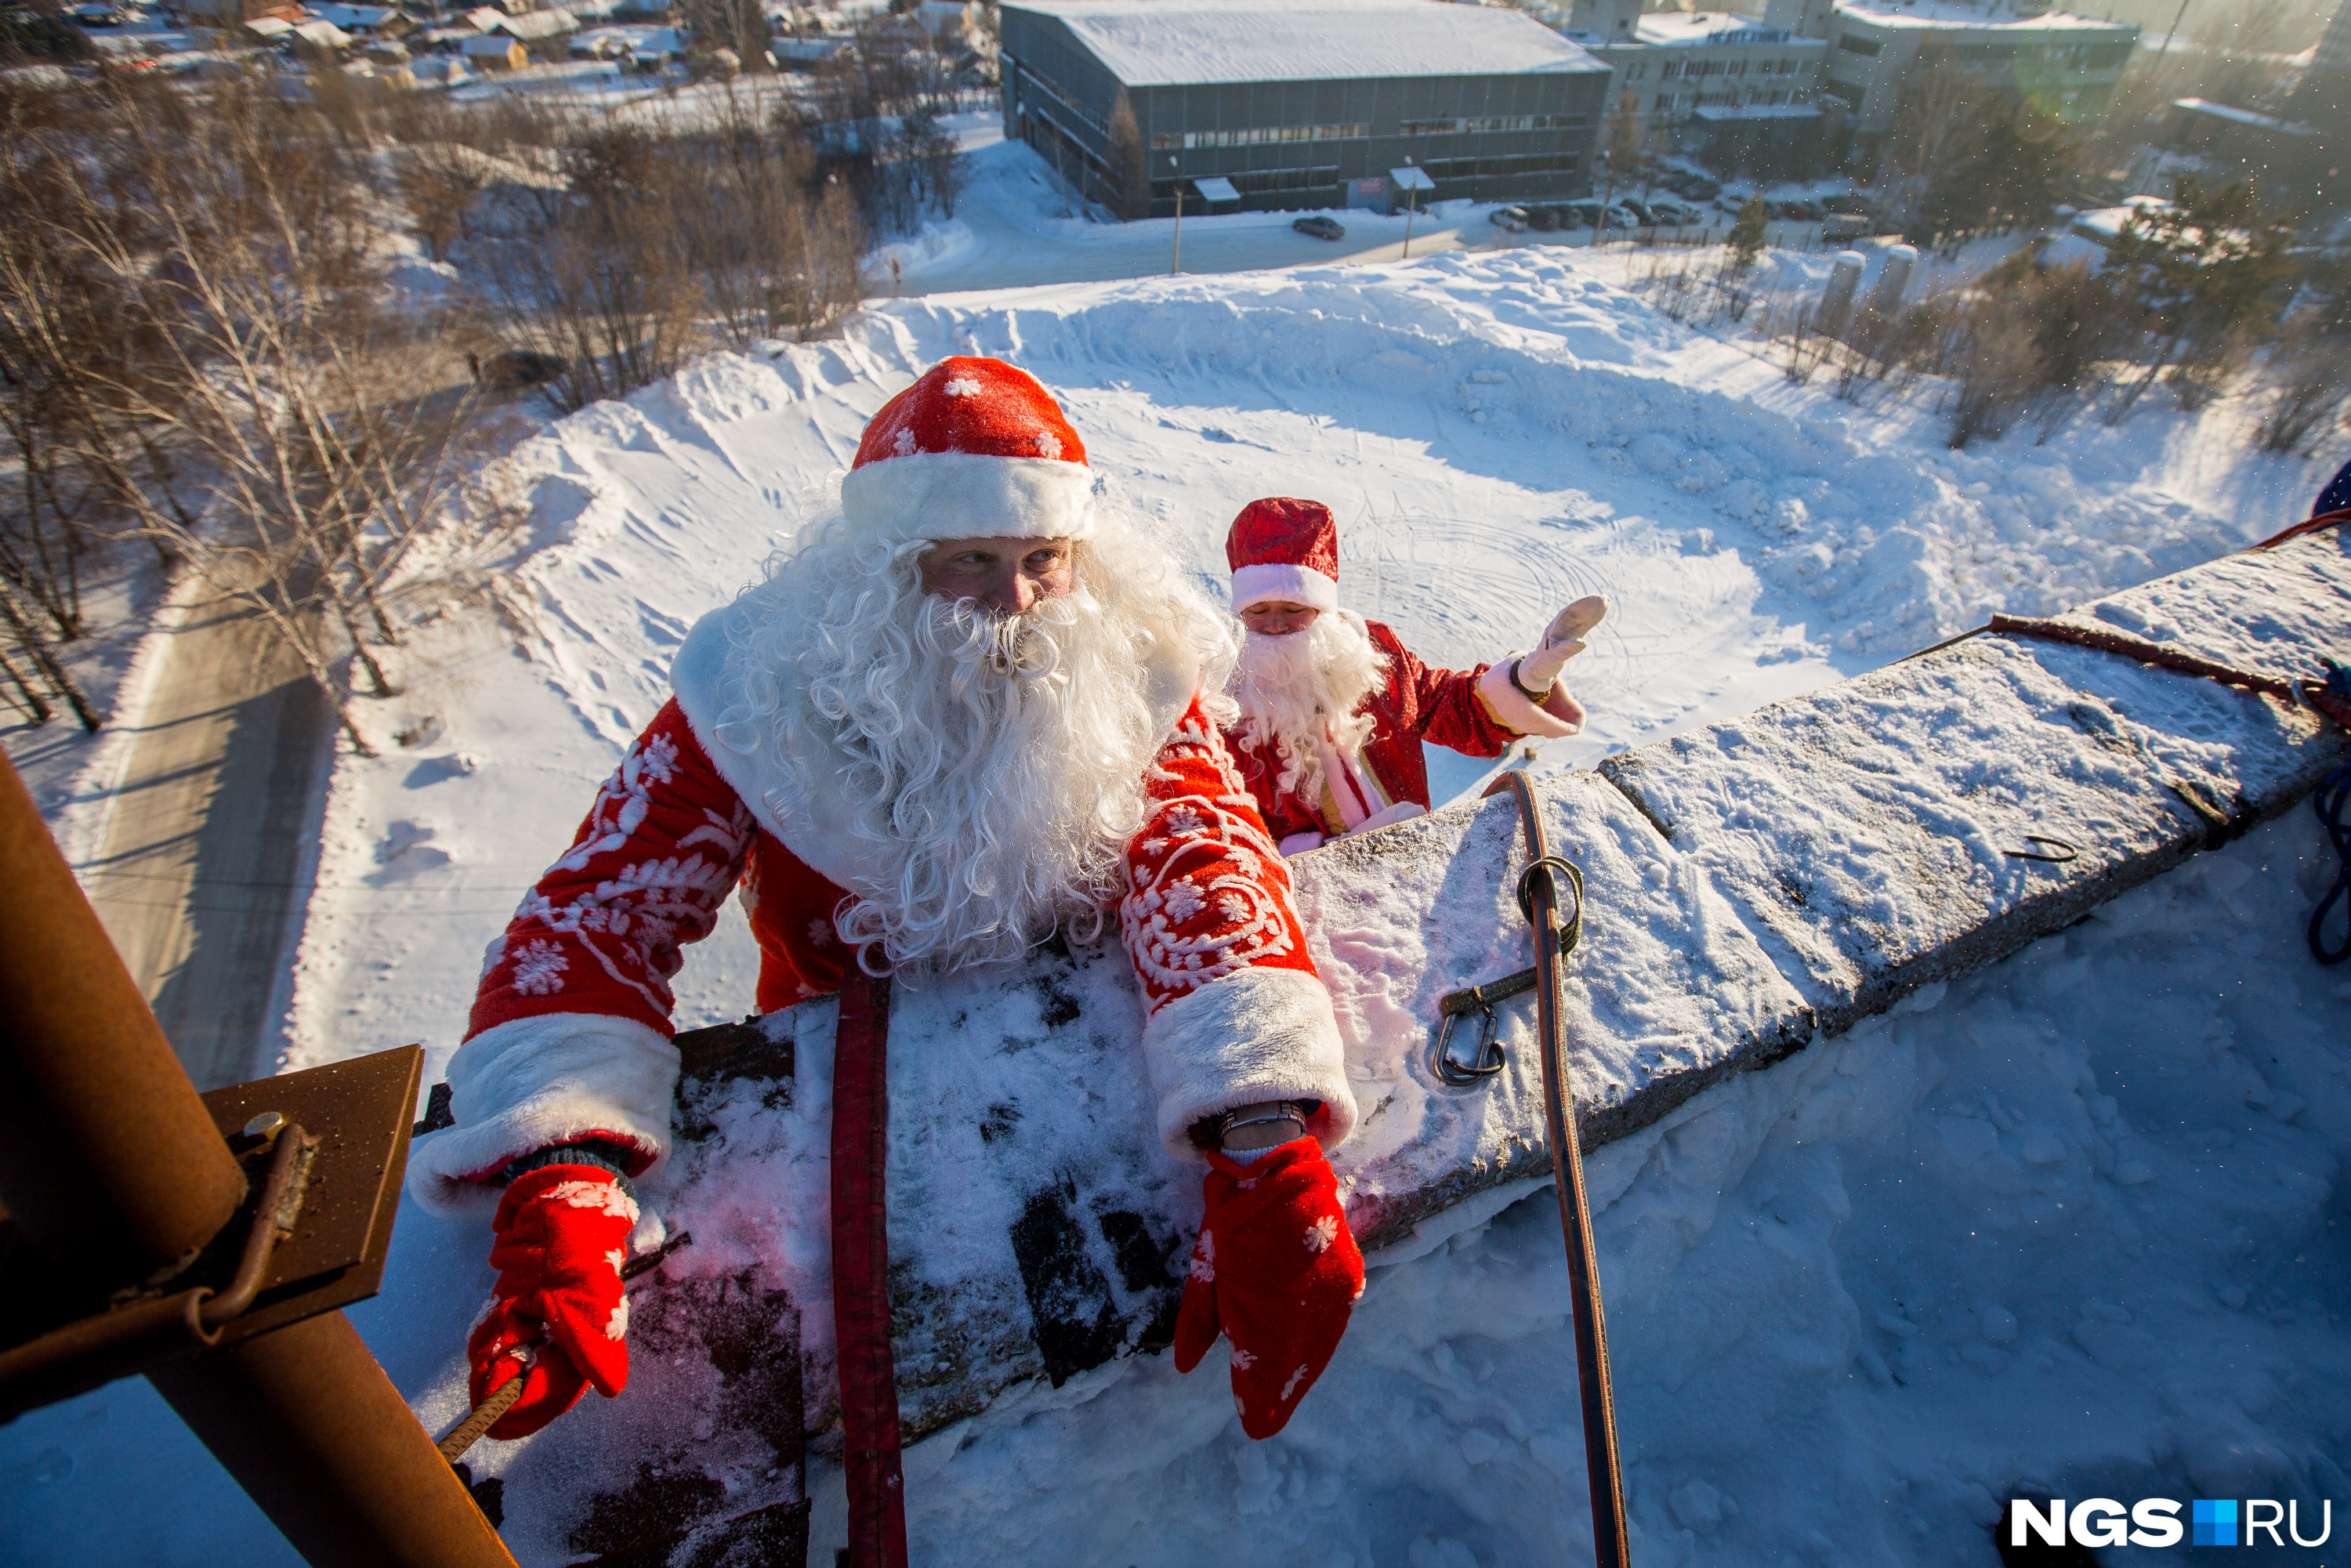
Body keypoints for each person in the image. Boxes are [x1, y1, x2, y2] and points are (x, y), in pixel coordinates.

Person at [408, 359, 1365, 1447]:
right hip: (847, 1092)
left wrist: (1260, 1124)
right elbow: (598, 917)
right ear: (885, 564)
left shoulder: (1124, 658)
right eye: (971, 561)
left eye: (1043, 560)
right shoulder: (751, 686)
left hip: (1066, 1070)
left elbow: (1207, 856)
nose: (1016, 601)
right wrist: (561, 1163)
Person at [1221, 496, 1607, 854]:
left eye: (1292, 608)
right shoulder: (1220, 697)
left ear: (1323, 609)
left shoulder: (1372, 653)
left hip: (1413, 863)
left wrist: (1528, 681)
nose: (1274, 625)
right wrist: (1326, 856)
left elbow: (1449, 706)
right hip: (1307, 900)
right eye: (1257, 610)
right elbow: (1216, 824)